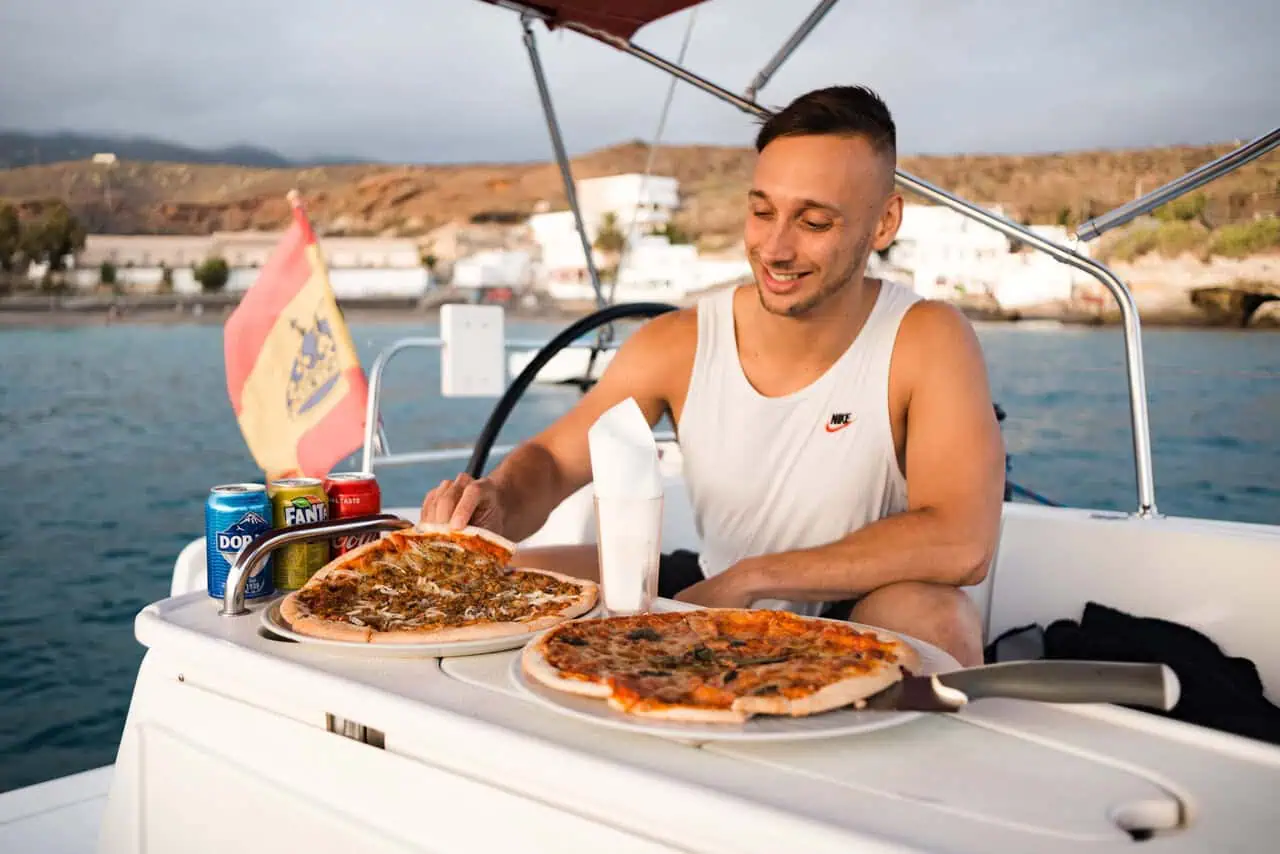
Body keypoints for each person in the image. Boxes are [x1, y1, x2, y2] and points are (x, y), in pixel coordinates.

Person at [420, 85, 1005, 666]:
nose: (775, 247)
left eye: (814, 222)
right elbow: (553, 462)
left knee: (938, 619)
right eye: (761, 211)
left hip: (853, 609)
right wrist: (494, 502)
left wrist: (751, 580)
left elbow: (961, 541)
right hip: (713, 594)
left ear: (883, 223)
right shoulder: (680, 341)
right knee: (491, 573)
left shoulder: (926, 336)